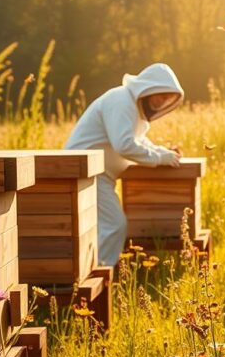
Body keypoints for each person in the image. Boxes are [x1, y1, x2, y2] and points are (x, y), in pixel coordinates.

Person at [65, 63, 184, 266]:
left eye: (167, 98)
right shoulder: (121, 100)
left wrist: (164, 153)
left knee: (102, 226)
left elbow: (140, 141)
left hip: (97, 174)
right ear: (149, 88)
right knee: (113, 225)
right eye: (161, 95)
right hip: (85, 172)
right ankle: (100, 273)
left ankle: (97, 270)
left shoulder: (133, 109)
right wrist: (159, 158)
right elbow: (124, 144)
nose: (163, 101)